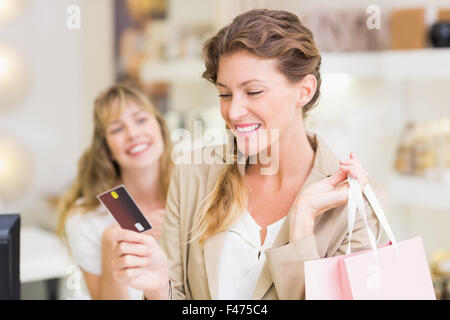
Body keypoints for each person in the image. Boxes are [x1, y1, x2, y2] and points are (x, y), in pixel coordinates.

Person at [111, 9, 381, 300]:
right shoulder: (193, 174)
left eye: (253, 92)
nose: (234, 112)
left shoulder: (354, 207)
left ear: (304, 90)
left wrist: (302, 220)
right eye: (225, 94)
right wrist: (157, 287)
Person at [57, 83, 173, 299]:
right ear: (107, 149)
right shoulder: (87, 220)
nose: (133, 134)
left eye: (141, 120)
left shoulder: (193, 194)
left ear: (160, 127)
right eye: (117, 129)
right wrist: (111, 240)